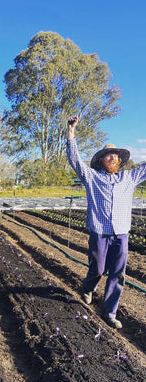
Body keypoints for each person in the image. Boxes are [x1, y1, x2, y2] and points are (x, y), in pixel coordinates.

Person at [66, 115, 146, 329]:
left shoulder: (129, 178)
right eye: (108, 155)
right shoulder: (92, 177)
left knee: (118, 274)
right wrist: (71, 131)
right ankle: (88, 287)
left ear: (120, 161)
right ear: (101, 160)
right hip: (99, 232)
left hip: (121, 233)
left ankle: (110, 312)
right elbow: (74, 160)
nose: (112, 157)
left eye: (115, 155)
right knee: (98, 268)